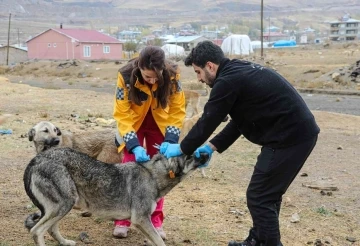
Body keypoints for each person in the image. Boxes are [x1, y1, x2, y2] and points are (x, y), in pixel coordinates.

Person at [160, 41, 320, 246]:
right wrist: (211, 147)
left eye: (199, 72)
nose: (199, 79)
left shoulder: (227, 81)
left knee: (260, 196)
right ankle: (257, 240)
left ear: (210, 66)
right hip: (290, 135)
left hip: (290, 138)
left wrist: (182, 149)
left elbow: (209, 119)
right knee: (266, 195)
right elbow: (240, 121)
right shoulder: (236, 72)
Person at [113, 46, 186, 239]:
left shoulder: (173, 75)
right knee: (128, 168)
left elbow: (178, 108)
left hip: (159, 123)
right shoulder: (124, 75)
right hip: (133, 123)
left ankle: (155, 221)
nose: (152, 81)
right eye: (147, 77)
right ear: (139, 67)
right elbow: (122, 112)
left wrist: (171, 139)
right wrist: (134, 145)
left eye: (156, 77)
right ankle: (123, 219)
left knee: (161, 170)